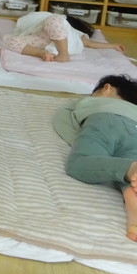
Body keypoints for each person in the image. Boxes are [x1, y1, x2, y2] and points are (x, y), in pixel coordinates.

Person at [52, 75, 137, 242]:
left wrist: (78, 138)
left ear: (107, 88)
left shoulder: (100, 106)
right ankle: (130, 192)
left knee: (79, 163)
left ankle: (130, 169)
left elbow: (63, 118)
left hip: (107, 120)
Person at [4, 12, 125, 62]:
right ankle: (41, 54)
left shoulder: (73, 32)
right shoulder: (45, 26)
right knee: (10, 41)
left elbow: (90, 44)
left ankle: (63, 53)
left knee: (54, 19)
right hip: (43, 41)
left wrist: (112, 45)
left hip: (64, 45)